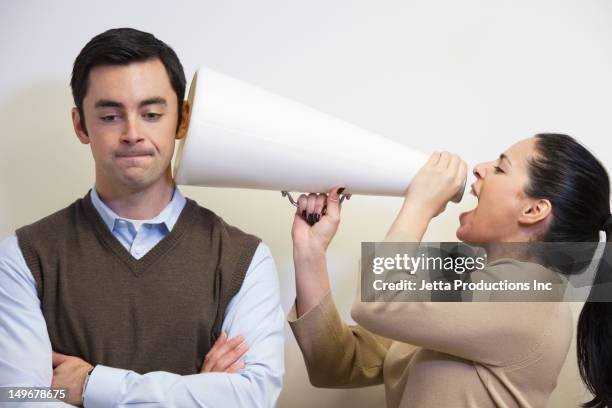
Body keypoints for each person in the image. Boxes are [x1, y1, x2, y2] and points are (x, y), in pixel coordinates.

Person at [0, 28, 284, 407]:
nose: (132, 133)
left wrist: (91, 386)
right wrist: (198, 393)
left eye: (151, 114)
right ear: (80, 125)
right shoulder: (22, 257)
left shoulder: (244, 259)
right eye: (111, 116)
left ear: (182, 120)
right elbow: (17, 398)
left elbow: (253, 396)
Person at [288, 134, 610, 407]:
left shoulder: (529, 296)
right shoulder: (468, 280)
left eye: (499, 168)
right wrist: (310, 251)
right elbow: (339, 365)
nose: (479, 170)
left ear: (533, 210)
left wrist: (419, 205)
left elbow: (378, 299)